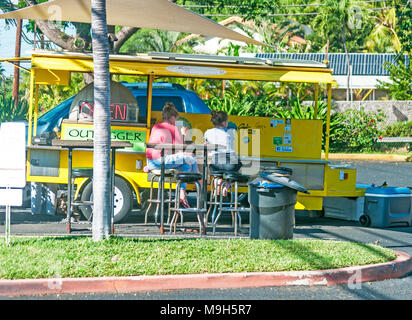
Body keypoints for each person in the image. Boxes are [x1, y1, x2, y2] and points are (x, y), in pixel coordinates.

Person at [146, 102, 199, 208]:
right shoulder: (173, 128)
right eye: (176, 119)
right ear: (172, 118)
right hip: (161, 161)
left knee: (186, 165)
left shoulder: (156, 126)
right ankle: (198, 183)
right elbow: (180, 149)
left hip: (151, 162)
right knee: (191, 158)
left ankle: (182, 191)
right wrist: (184, 134)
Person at [204, 110, 241, 196]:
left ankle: (218, 182)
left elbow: (206, 146)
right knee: (237, 171)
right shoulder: (232, 132)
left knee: (218, 171)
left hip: (216, 162)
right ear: (224, 123)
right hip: (231, 162)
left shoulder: (208, 132)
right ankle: (226, 186)